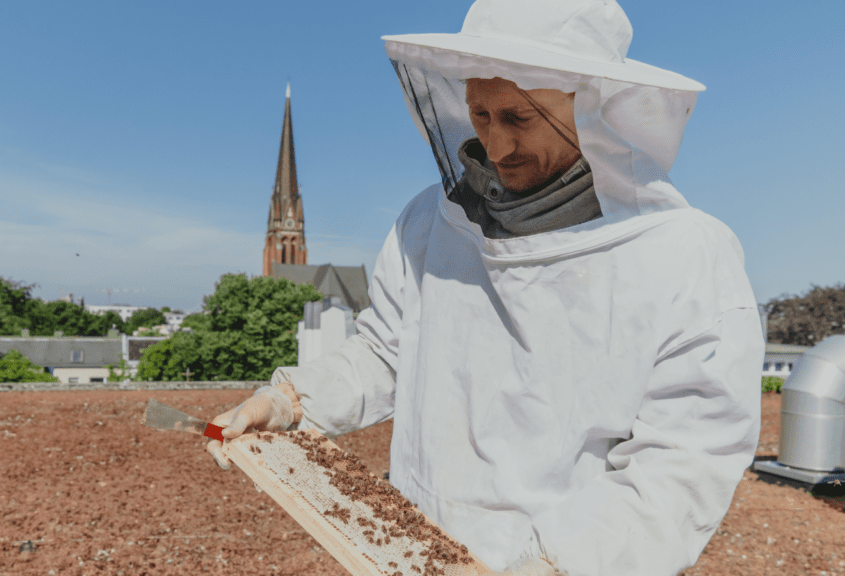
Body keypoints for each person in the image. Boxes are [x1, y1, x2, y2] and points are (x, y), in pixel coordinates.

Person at [207, 1, 763, 574]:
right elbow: (383, 351)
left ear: (591, 110)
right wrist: (292, 400)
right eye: (480, 114)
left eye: (519, 119)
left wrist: (556, 564)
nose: (495, 146)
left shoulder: (683, 256)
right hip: (413, 550)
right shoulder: (429, 222)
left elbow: (685, 459)